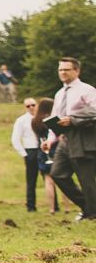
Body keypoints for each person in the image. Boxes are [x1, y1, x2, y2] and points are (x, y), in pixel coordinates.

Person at [49, 57, 96, 220]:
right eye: (60, 70)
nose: (62, 73)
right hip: (64, 139)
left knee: (86, 179)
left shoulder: (87, 90)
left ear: (76, 71)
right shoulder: (59, 93)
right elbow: (54, 117)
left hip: (83, 138)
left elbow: (95, 111)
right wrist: (50, 139)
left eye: (66, 69)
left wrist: (73, 119)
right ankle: (88, 207)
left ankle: (91, 213)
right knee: (57, 174)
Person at [31, 98, 62, 215]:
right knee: (63, 176)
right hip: (56, 148)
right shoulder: (52, 120)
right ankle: (67, 206)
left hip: (43, 150)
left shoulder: (35, 121)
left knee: (48, 181)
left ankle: (52, 208)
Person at [11, 98, 42, 212]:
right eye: (28, 106)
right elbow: (15, 138)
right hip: (31, 150)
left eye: (33, 105)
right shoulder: (21, 120)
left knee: (49, 178)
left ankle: (54, 205)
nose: (31, 108)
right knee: (31, 180)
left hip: (43, 149)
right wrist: (24, 154)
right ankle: (31, 206)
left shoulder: (42, 118)